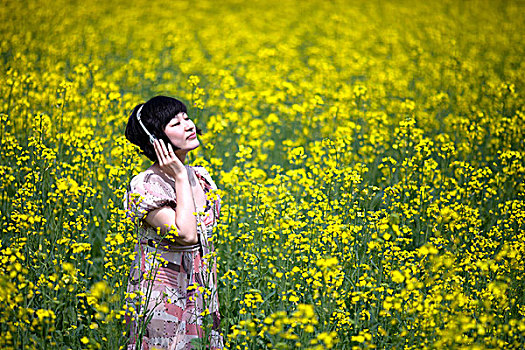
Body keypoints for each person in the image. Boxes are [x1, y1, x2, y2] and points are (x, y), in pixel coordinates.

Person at [123, 96, 223, 350]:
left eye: (186, 118)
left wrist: (184, 174)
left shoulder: (200, 177)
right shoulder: (146, 186)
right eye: (175, 123)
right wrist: (179, 175)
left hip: (202, 290)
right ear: (156, 140)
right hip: (163, 297)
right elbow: (186, 235)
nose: (188, 125)